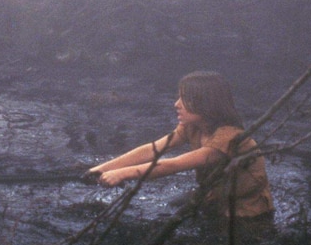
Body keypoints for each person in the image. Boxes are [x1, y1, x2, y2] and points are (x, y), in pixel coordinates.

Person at [86, 71, 274, 220]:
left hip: (245, 214)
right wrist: (103, 168)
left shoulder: (229, 138)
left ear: (206, 103)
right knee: (171, 210)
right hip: (213, 197)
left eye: (185, 98)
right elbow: (153, 149)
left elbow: (174, 165)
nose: (177, 104)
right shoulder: (193, 126)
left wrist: (123, 173)